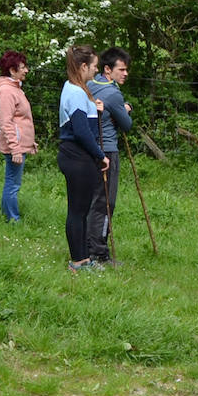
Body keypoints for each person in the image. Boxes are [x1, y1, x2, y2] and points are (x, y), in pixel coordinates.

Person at [58, 46, 110, 272]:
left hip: (76, 156)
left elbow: (84, 120)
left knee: (80, 210)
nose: (96, 70)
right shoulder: (77, 92)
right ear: (83, 67)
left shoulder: (75, 88)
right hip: (78, 157)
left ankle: (84, 258)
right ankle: (78, 262)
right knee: (78, 211)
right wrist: (101, 156)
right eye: (94, 66)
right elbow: (81, 131)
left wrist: (96, 111)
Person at [86, 47, 133, 265]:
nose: (125, 74)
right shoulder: (113, 93)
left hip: (88, 149)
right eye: (121, 69)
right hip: (107, 150)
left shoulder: (89, 84)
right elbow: (126, 124)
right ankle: (99, 253)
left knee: (91, 199)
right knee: (105, 202)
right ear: (108, 69)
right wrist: (125, 109)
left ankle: (86, 247)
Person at [0, 51, 39, 222]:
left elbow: (21, 120)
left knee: (12, 181)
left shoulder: (15, 89)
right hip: (14, 147)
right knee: (13, 183)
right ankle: (13, 219)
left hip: (18, 144)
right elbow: (6, 122)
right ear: (12, 70)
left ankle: (8, 215)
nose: (26, 70)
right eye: (23, 67)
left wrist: (29, 142)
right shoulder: (6, 91)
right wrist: (15, 149)